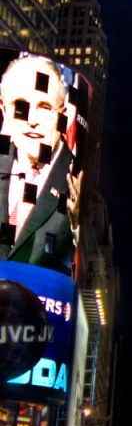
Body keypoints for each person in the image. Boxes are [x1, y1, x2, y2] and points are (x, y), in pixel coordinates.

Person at [0, 55, 83, 273]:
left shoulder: (79, 181)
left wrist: (78, 224)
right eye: (21, 106)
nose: (32, 119)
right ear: (4, 110)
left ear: (62, 115)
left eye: (44, 107)